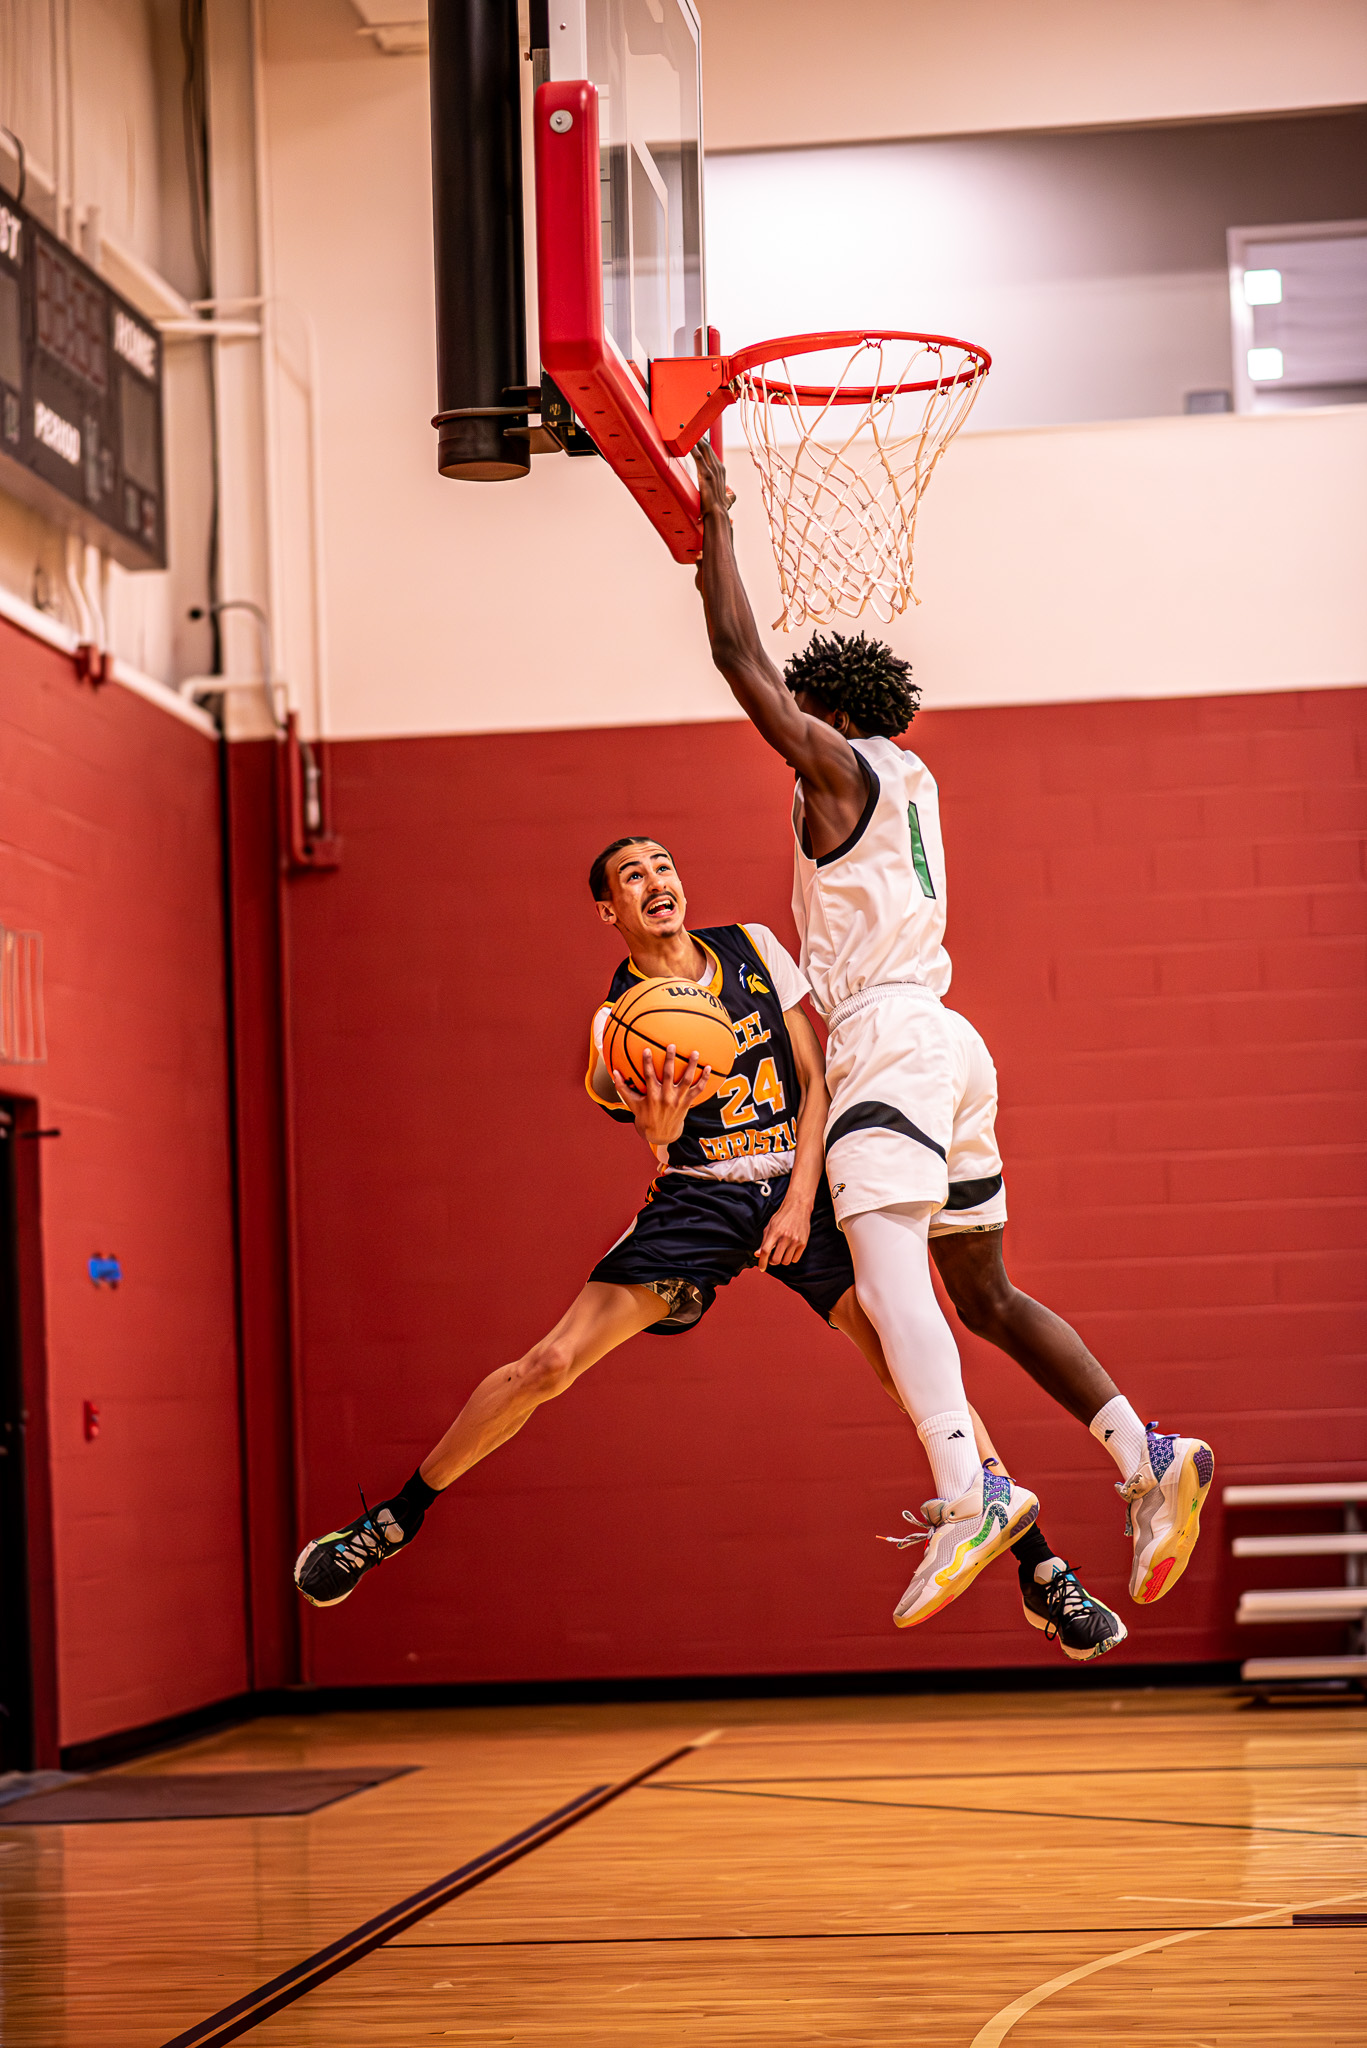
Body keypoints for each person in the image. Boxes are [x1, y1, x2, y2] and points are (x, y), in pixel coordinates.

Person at [293, 835, 1126, 1661]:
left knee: (906, 1370)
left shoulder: (752, 949)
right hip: (699, 1195)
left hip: (804, 1184)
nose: (656, 881)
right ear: (607, 910)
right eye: (632, 875)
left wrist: (801, 1201)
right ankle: (394, 1518)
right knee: (547, 1364)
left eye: (663, 865)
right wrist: (660, 1116)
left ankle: (1043, 1575)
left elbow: (816, 1080)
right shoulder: (615, 1022)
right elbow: (653, 1137)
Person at [692, 439, 1214, 1629]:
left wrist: (713, 525)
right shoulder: (912, 778)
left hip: (888, 1038)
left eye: (799, 718)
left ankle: (966, 1486)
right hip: (947, 1044)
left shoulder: (834, 764)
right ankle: (1146, 1453)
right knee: (981, 1292)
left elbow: (736, 656)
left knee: (886, 1278)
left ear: (825, 715)